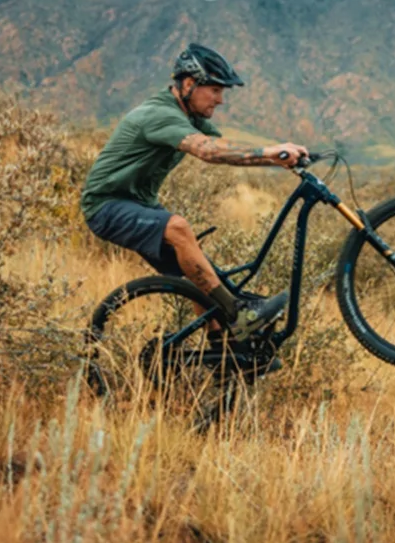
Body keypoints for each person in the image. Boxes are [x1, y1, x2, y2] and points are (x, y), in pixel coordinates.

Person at [80, 43, 308, 368]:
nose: (220, 99)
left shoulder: (191, 117)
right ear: (188, 84)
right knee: (178, 228)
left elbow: (226, 147)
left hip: (140, 204)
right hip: (106, 206)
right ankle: (239, 316)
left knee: (197, 272)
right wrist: (272, 153)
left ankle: (224, 345)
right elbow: (209, 152)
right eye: (214, 89)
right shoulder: (159, 115)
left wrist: (283, 154)